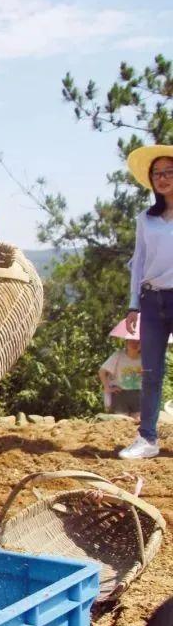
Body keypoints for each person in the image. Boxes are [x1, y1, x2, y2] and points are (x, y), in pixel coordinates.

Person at [120, 144, 173, 459]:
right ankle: (147, 439)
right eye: (157, 174)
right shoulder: (145, 219)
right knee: (151, 372)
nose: (162, 178)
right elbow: (138, 262)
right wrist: (133, 304)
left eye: (169, 172)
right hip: (152, 301)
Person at [99, 323, 143, 417]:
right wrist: (107, 388)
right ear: (126, 343)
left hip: (138, 394)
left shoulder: (145, 358)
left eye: (138, 342)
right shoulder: (118, 355)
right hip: (120, 394)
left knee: (139, 421)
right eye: (131, 341)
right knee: (122, 421)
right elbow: (102, 371)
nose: (134, 344)